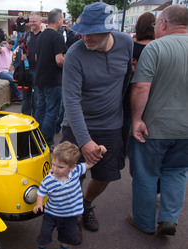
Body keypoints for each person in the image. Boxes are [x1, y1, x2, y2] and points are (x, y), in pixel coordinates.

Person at [61, 2, 133, 234]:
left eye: (92, 32)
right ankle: (71, 213)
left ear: (109, 29)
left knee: (105, 176)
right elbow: (70, 101)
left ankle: (85, 205)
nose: (85, 36)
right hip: (77, 125)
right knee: (72, 177)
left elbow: (125, 84)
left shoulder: (126, 43)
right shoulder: (74, 53)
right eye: (83, 30)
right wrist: (85, 141)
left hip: (111, 125)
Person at [127, 5, 188, 236]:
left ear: (163, 23)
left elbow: (142, 86)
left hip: (155, 125)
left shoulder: (156, 48)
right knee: (178, 171)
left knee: (146, 173)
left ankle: (144, 221)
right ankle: (169, 218)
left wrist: (136, 120)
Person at [32, 141, 106, 249]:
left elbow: (90, 163)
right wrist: (39, 204)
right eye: (53, 164)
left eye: (60, 167)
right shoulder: (49, 180)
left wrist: (100, 150)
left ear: (72, 167)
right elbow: (41, 192)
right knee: (44, 233)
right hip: (52, 213)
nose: (55, 169)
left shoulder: (76, 171)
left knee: (67, 234)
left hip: (71, 214)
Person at [122, 12, 155, 154]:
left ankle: (124, 148)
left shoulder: (131, 47)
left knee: (128, 117)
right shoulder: (156, 48)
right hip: (151, 90)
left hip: (130, 87)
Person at [34, 8, 67, 147]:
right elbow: (59, 60)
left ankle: (36, 139)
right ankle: (46, 142)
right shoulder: (57, 36)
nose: (63, 22)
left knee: (40, 110)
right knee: (52, 112)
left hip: (39, 79)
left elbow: (36, 57)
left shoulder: (41, 36)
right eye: (63, 19)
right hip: (53, 80)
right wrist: (70, 66)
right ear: (58, 20)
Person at [20, 12, 42, 118]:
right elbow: (24, 48)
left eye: (34, 21)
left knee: (37, 97)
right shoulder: (28, 35)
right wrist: (23, 55)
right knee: (26, 96)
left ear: (40, 22)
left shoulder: (43, 35)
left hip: (39, 70)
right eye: (30, 21)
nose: (31, 24)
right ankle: (25, 118)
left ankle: (36, 120)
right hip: (27, 69)